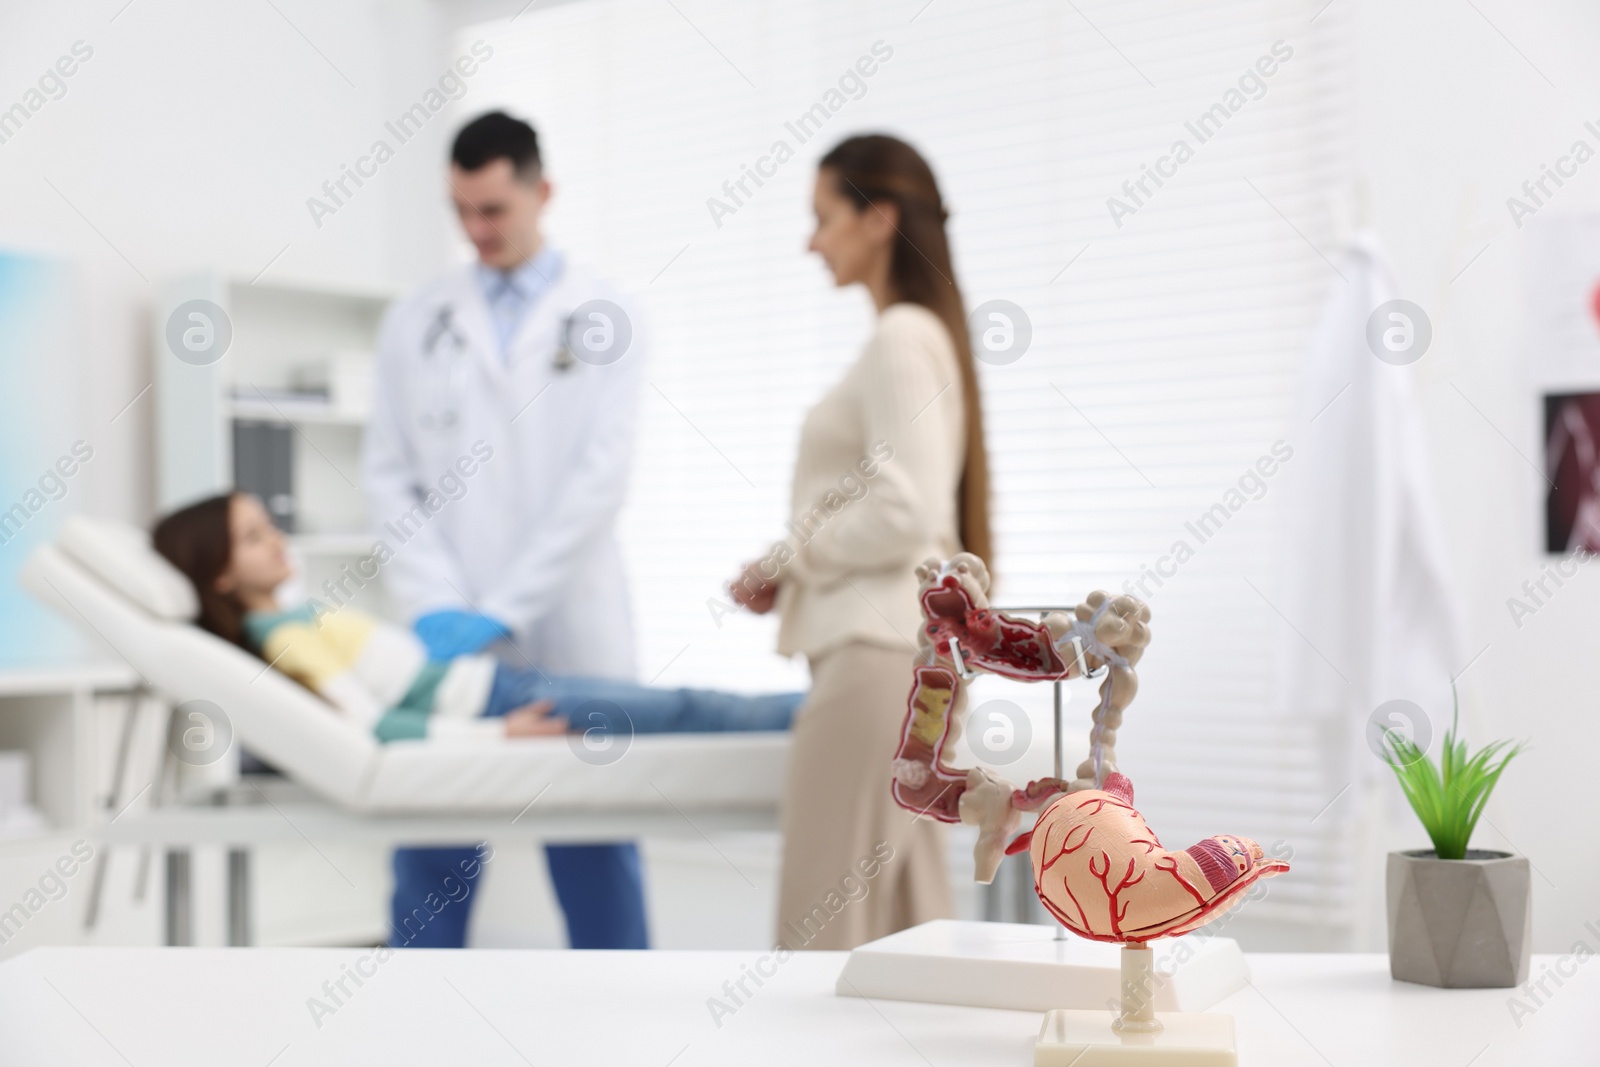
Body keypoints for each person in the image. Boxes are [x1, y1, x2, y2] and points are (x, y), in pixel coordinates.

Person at [153, 493, 801, 946]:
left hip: (498, 687)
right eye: (253, 536)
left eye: (268, 526)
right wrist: (502, 732)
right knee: (693, 711)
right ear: (218, 570)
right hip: (506, 701)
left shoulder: (289, 620)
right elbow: (374, 726)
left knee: (692, 710)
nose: (276, 540)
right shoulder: (282, 635)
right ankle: (824, 715)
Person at [361, 111, 652, 948]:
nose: (477, 230)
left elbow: (600, 485)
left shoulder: (607, 315)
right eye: (462, 211)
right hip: (451, 631)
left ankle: (624, 1031)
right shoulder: (417, 321)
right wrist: (441, 601)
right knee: (433, 856)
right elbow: (388, 475)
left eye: (494, 210)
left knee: (595, 851)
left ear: (542, 192)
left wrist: (510, 603)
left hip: (571, 621)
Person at [728, 135, 991, 950]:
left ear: (878, 219)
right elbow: (900, 509)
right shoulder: (915, 336)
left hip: (874, 666)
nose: (811, 241)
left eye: (822, 218)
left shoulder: (900, 338)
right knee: (907, 936)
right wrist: (790, 562)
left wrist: (792, 554)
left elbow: (904, 513)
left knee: (820, 940)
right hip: (902, 662)